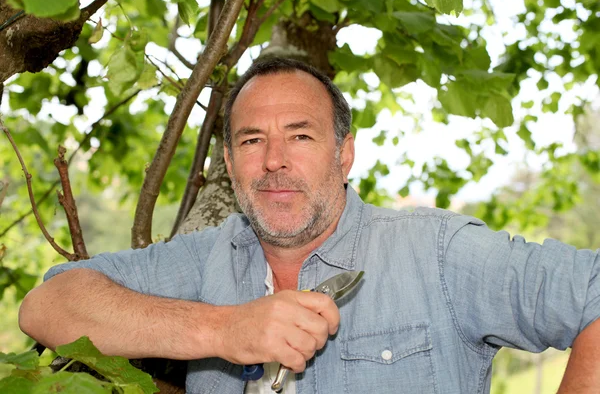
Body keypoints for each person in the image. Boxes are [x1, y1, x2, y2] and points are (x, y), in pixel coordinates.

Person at [19, 57, 600, 394]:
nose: (274, 160)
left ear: (344, 154)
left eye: (300, 135)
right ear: (227, 162)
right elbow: (47, 306)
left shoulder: (437, 252)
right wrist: (224, 331)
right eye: (252, 140)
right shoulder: (206, 259)